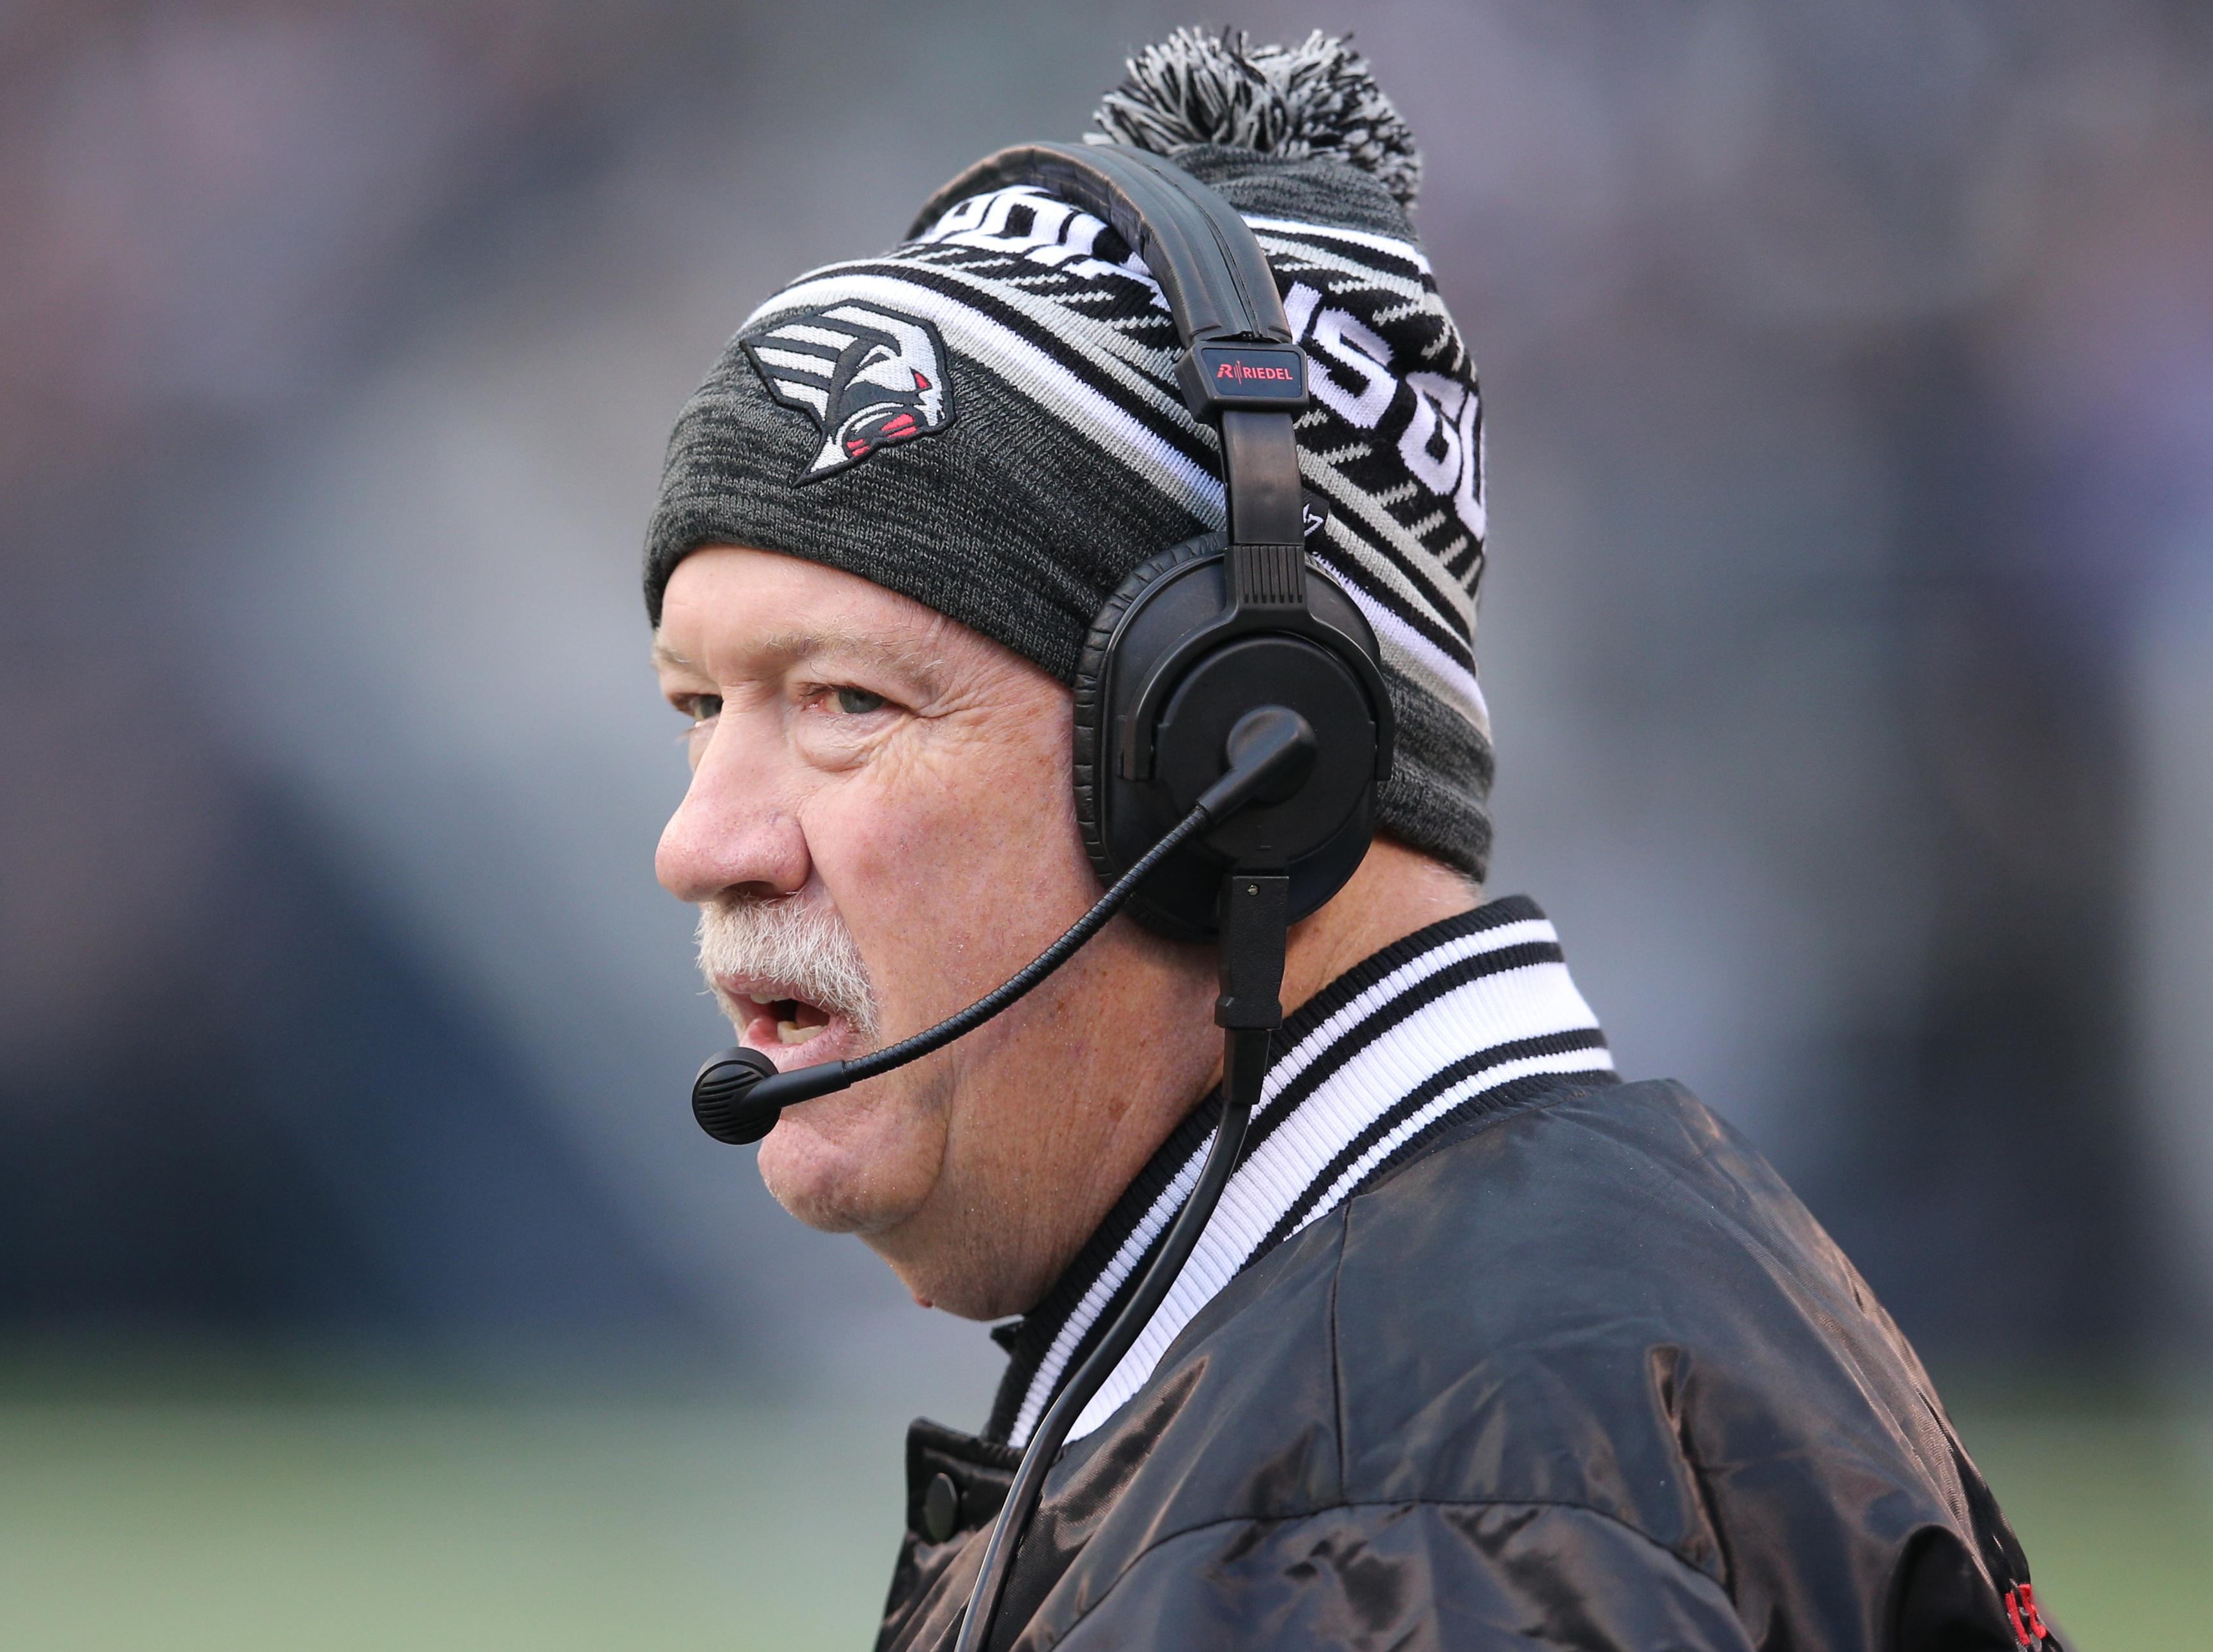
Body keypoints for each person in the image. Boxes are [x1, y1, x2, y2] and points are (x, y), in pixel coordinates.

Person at [642, 26, 2060, 1652]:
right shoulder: (1492, 1370)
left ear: (1246, 764)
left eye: (843, 703)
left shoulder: (1389, 1528)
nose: (707, 842)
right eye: (699, 707)